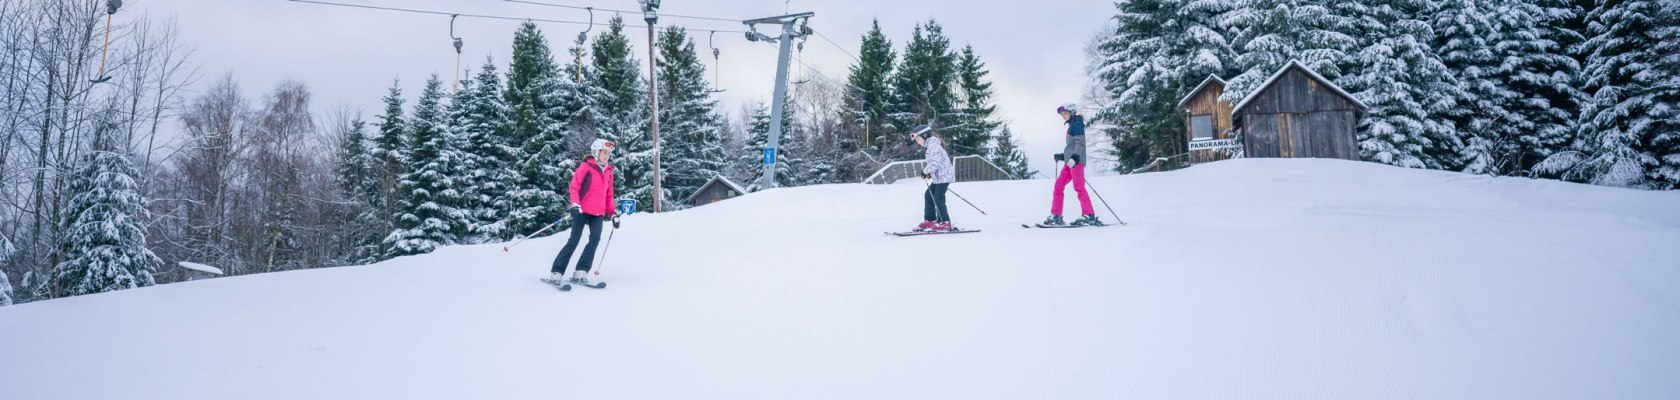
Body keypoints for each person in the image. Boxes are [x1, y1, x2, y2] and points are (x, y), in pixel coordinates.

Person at [551, 139, 620, 285]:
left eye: (609, 153)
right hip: (581, 210)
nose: (607, 155)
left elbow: (609, 195)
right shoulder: (586, 167)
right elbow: (574, 187)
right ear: (596, 152)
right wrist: (575, 204)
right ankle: (556, 271)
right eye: (604, 152)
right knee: (574, 241)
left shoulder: (609, 171)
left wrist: (613, 214)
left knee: (595, 240)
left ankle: (581, 271)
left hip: (598, 213)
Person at [1046, 103, 1102, 226]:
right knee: (1059, 185)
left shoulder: (1077, 124)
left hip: (1076, 162)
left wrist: (1075, 157)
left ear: (1072, 112)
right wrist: (1062, 156)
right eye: (1062, 114)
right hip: (1069, 162)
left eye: (1065, 113)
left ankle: (1089, 215)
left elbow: (1079, 143)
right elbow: (1071, 147)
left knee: (1079, 187)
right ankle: (1056, 215)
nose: (1063, 116)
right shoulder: (1072, 125)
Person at [911, 124, 958, 232]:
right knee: (929, 195)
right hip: (939, 176)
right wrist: (930, 173)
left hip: (944, 176)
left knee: (938, 197)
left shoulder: (933, 146)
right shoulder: (930, 145)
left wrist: (924, 171)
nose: (917, 141)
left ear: (925, 136)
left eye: (918, 139)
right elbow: (937, 163)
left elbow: (935, 162)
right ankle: (930, 220)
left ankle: (945, 222)